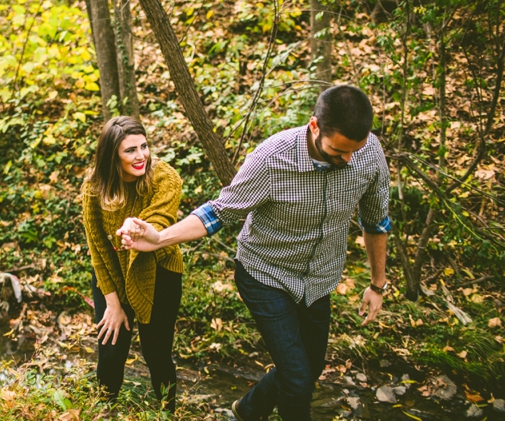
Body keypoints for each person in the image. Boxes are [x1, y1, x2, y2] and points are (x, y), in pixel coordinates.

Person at [118, 85, 391, 421]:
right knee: (297, 379)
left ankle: (247, 411)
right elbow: (218, 212)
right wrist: (160, 238)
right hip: (265, 275)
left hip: (319, 278)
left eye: (355, 150)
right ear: (315, 126)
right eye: (338, 151)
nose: (347, 159)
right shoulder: (272, 159)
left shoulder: (369, 154)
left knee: (312, 366)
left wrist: (377, 284)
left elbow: (376, 221)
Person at [81, 116, 184, 413]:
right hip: (112, 275)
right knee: (111, 352)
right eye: (130, 150)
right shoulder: (94, 188)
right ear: (113, 155)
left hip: (160, 273)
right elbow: (98, 248)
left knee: (157, 354)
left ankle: (167, 413)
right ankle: (105, 412)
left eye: (144, 147)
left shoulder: (164, 177)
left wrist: (139, 227)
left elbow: (161, 218)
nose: (141, 156)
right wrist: (113, 303)